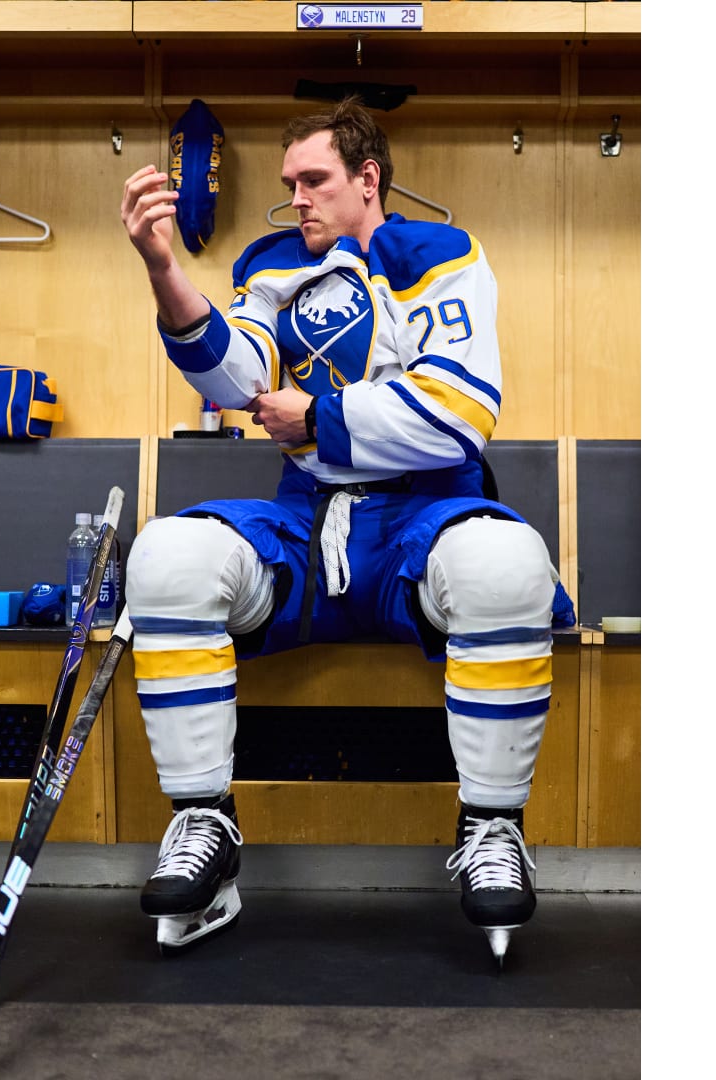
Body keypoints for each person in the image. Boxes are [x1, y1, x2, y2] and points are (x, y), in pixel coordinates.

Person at [117, 98, 571, 965]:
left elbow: (457, 417)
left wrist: (319, 417)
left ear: (368, 178)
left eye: (315, 180)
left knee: (504, 562)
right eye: (289, 183)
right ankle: (204, 825)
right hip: (308, 517)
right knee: (167, 557)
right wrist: (163, 267)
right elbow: (234, 378)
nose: (297, 199)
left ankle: (492, 829)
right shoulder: (274, 264)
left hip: (422, 516)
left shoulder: (439, 254)